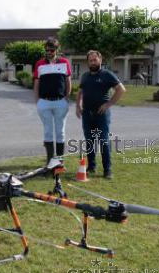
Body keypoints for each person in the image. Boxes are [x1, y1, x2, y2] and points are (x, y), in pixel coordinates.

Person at [76, 50, 126, 179]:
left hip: (101, 114)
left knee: (103, 141)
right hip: (87, 113)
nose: (93, 62)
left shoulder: (107, 74)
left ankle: (107, 170)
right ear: (88, 62)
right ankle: (91, 167)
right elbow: (80, 92)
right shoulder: (85, 76)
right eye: (90, 60)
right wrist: (78, 106)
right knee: (90, 141)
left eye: (95, 60)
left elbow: (121, 90)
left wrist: (108, 104)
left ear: (100, 60)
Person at [33, 37, 71, 164]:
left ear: (56, 50)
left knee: (60, 132)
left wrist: (67, 96)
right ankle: (50, 162)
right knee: (48, 132)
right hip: (44, 102)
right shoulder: (39, 64)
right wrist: (37, 100)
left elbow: (67, 81)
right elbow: (37, 83)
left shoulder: (64, 62)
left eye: (51, 50)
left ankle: (59, 162)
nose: (49, 52)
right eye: (47, 50)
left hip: (61, 102)